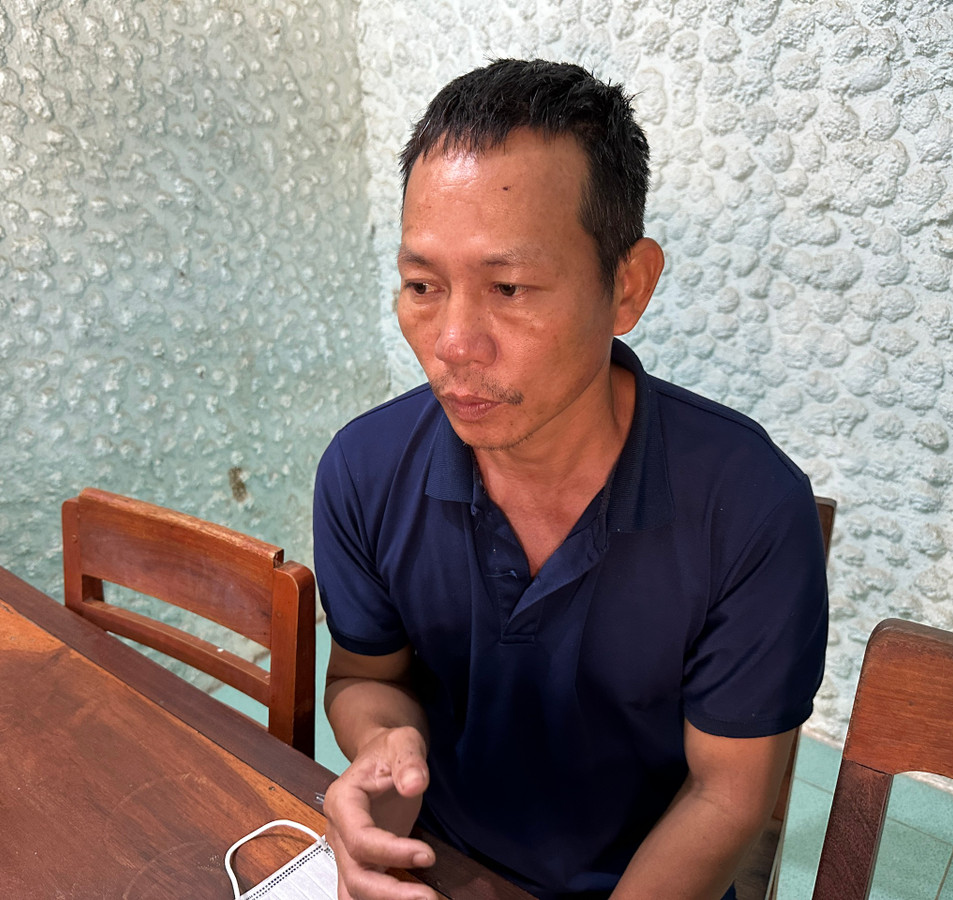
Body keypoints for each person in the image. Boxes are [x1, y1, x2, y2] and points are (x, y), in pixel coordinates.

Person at [312, 59, 828, 900]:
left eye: (509, 287)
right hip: (440, 868)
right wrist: (384, 746)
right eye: (422, 285)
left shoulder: (747, 508)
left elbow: (727, 794)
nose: (453, 344)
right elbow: (366, 678)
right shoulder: (364, 471)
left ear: (627, 287)